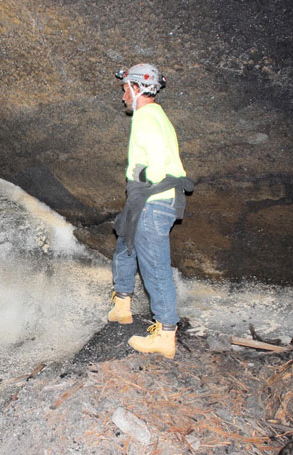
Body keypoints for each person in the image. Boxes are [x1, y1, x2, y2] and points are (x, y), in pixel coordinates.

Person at [107, 63, 193, 359]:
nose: (122, 97)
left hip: (152, 202)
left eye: (124, 90)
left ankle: (166, 335)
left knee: (155, 266)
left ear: (136, 88)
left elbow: (156, 164)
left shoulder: (145, 118)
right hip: (146, 201)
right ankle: (122, 306)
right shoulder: (156, 116)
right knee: (125, 245)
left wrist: (143, 179)